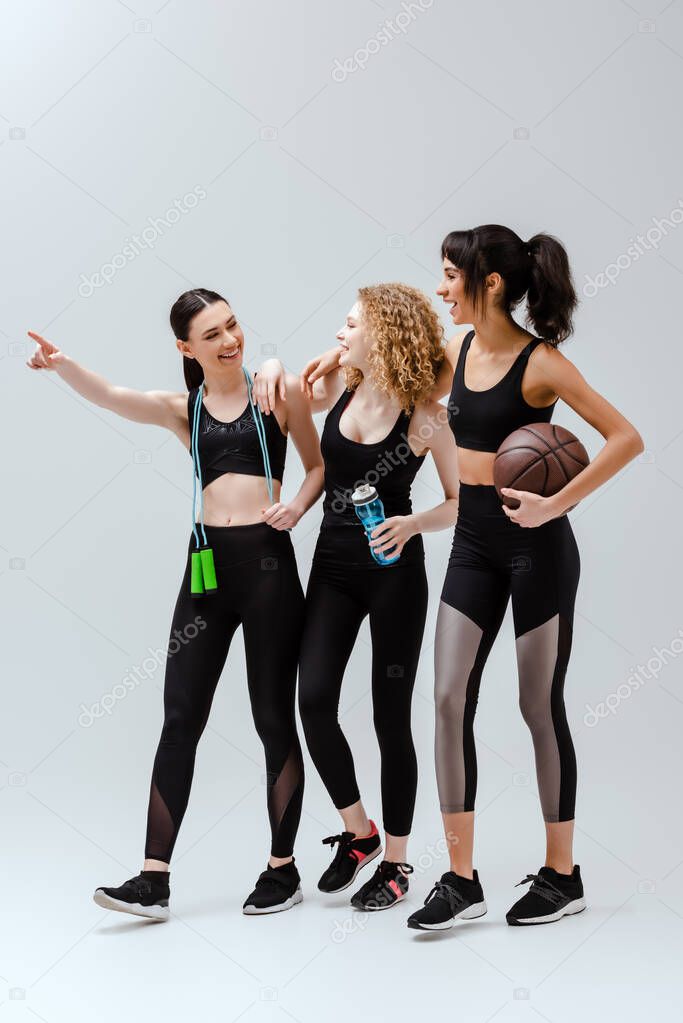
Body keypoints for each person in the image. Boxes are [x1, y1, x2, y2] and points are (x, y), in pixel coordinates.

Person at [299, 227, 644, 928]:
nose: (439, 287)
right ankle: (460, 879)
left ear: (488, 282)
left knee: (535, 705)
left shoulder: (541, 363)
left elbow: (625, 436)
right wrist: (338, 356)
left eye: (450, 274)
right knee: (448, 698)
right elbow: (391, 381)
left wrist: (557, 500)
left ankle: (561, 874)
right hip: (471, 543)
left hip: (535, 548)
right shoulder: (453, 353)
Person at [27, 287, 324, 918]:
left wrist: (296, 505)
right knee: (179, 717)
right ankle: (153, 877)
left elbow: (316, 467)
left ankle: (282, 868)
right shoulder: (183, 409)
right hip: (206, 574)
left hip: (269, 568)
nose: (229, 341)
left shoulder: (278, 393)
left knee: (273, 719)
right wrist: (64, 365)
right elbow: (113, 397)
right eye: (212, 334)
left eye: (233, 326)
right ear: (186, 348)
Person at [255, 283, 459, 912]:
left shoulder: (427, 413)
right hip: (335, 567)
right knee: (313, 701)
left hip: (396, 572)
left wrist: (412, 523)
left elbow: (457, 502)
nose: (339, 333)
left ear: (383, 333)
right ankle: (359, 831)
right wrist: (268, 363)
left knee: (389, 719)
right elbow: (285, 391)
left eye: (349, 324)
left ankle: (397, 862)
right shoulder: (337, 385)